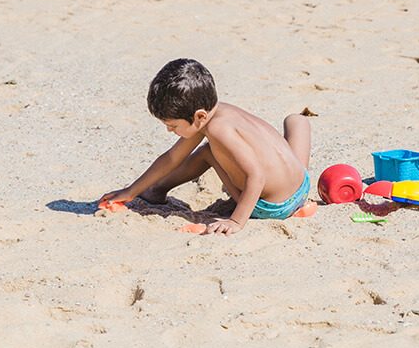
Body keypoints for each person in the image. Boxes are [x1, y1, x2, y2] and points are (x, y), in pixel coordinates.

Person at [99, 58, 312, 235]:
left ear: (199, 116)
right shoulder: (221, 112)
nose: (169, 131)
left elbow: (256, 176)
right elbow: (171, 157)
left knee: (207, 153)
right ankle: (299, 125)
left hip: (273, 207)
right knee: (295, 121)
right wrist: (131, 191)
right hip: (302, 185)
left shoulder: (219, 130)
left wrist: (236, 221)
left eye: (172, 126)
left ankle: (157, 189)